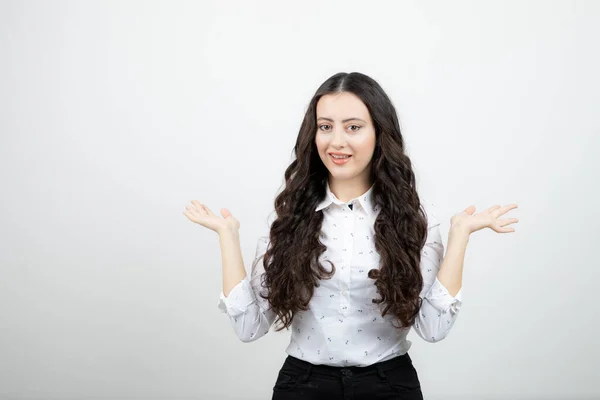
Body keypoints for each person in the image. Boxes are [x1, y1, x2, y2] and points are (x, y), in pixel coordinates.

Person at [183, 72, 518, 400]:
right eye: (325, 127)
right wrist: (227, 236)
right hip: (303, 386)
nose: (337, 141)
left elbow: (433, 329)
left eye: (353, 127)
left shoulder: (412, 219)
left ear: (379, 134)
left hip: (389, 384)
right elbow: (249, 328)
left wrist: (459, 235)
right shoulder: (292, 217)